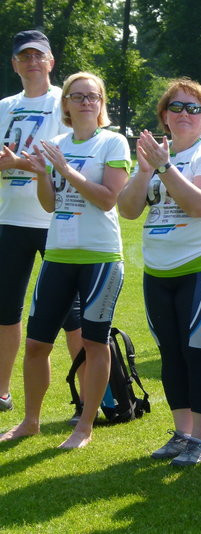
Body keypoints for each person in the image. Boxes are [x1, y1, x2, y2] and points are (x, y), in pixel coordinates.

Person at [0, 71, 129, 449]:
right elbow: (50, 205)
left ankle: (85, 425)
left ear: (102, 102)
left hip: (101, 257)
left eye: (93, 96)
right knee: (38, 343)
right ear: (66, 104)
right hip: (58, 255)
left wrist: (67, 170)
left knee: (94, 341)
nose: (86, 101)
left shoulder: (113, 142)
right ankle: (30, 421)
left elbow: (108, 198)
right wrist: (42, 174)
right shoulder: (55, 142)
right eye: (78, 96)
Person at [117, 79, 201, 466]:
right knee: (171, 355)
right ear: (164, 116)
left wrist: (165, 167)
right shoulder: (154, 157)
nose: (184, 114)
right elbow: (129, 210)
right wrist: (144, 171)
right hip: (158, 270)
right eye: (176, 107)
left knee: (199, 354)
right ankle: (182, 433)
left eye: (193, 108)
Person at [0, 30, 83, 414]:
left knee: (72, 315)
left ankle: (95, 399)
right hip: (9, 219)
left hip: (55, 218)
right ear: (14, 63)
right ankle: (2, 392)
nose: (31, 62)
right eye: (24, 57)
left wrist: (20, 163)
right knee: (5, 310)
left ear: (51, 62)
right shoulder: (4, 106)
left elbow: (73, 158)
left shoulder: (64, 103)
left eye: (39, 56)